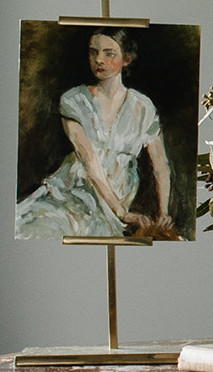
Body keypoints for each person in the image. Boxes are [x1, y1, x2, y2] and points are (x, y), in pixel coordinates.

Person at [15, 28, 176, 239]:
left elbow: (161, 167)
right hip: (74, 193)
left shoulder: (142, 107)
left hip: (116, 200)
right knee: (42, 229)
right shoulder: (74, 101)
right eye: (93, 52)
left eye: (109, 53)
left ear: (126, 59)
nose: (99, 59)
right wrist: (122, 213)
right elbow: (90, 163)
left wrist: (163, 212)